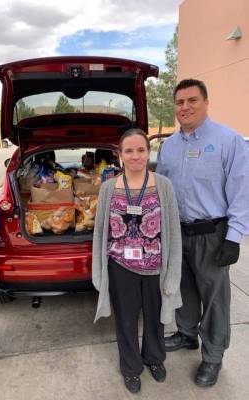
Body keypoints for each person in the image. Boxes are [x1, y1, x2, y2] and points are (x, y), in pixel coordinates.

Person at [156, 79, 249, 387]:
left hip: (212, 233)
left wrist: (234, 237)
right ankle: (186, 334)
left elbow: (242, 191)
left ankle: (213, 356)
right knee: (183, 290)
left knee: (214, 299)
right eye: (180, 102)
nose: (185, 107)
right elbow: (162, 190)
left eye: (192, 100)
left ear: (206, 103)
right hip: (177, 232)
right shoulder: (168, 146)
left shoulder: (228, 140)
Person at [92, 128, 182, 394]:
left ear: (148, 153)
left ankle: (154, 358)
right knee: (126, 320)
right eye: (128, 151)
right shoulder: (108, 188)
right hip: (121, 267)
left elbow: (173, 232)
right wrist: (99, 271)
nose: (135, 156)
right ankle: (131, 368)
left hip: (155, 266)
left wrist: (172, 274)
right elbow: (100, 231)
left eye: (140, 150)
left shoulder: (163, 185)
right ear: (119, 156)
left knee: (155, 318)